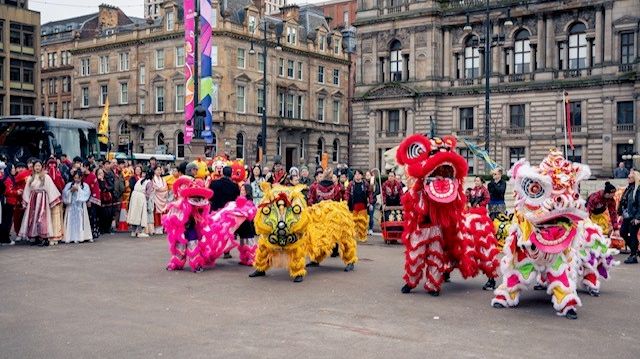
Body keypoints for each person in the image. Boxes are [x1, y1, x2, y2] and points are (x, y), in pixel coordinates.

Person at [18, 160, 62, 247]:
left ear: (41, 167)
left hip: (43, 199)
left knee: (42, 218)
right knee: (33, 217)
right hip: (33, 200)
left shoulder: (46, 177)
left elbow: (51, 189)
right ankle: (36, 237)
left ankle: (45, 238)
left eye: (39, 166)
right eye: (36, 166)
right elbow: (27, 190)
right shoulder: (30, 178)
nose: (37, 167)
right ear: (33, 167)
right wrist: (26, 201)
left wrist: (53, 201)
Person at [210, 166, 241, 259]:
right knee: (227, 232)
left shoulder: (214, 183)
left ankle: (213, 250)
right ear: (231, 174)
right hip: (228, 212)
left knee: (214, 231)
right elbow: (236, 199)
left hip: (215, 210)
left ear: (222, 173)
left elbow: (210, 196)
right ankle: (226, 251)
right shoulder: (235, 186)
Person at [62, 171, 93, 244]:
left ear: (81, 178)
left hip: (80, 206)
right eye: (75, 178)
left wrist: (78, 190)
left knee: (80, 221)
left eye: (78, 178)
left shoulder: (85, 185)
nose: (76, 179)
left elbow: (86, 194)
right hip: (71, 206)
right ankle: (69, 237)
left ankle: (81, 236)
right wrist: (70, 191)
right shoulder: (69, 185)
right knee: (70, 221)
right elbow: (64, 193)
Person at [345, 169, 372, 241]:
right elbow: (347, 193)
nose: (357, 176)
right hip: (353, 206)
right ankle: (354, 237)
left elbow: (370, 193)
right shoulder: (351, 184)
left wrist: (370, 201)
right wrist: (346, 201)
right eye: (356, 174)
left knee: (362, 222)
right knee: (354, 222)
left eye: (358, 174)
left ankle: (362, 237)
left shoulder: (365, 184)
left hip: (363, 206)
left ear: (361, 176)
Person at [620, 170, 640, 264]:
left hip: (634, 216)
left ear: (635, 178)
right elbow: (624, 201)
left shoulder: (638, 189)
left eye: (630, 177)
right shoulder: (629, 188)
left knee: (632, 235)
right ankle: (635, 250)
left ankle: (633, 255)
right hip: (627, 216)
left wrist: (637, 218)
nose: (628, 178)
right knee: (623, 232)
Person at [127, 171, 153, 238]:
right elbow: (148, 194)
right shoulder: (149, 182)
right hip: (141, 197)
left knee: (134, 214)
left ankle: (133, 231)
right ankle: (139, 232)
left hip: (134, 196)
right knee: (141, 215)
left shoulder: (140, 179)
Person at [46, 157, 65, 244]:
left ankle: (49, 235)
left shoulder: (45, 176)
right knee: (56, 217)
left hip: (47, 199)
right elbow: (61, 187)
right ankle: (57, 235)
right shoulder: (58, 175)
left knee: (49, 217)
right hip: (57, 199)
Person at [83, 162, 102, 239]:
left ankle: (93, 232)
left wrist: (90, 200)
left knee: (92, 216)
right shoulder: (82, 176)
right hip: (83, 199)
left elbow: (95, 189)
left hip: (91, 200)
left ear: (86, 167)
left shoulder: (92, 176)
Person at [1, 164, 18, 245]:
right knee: (7, 221)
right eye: (13, 168)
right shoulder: (8, 179)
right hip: (9, 202)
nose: (15, 169)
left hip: (7, 202)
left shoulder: (7, 178)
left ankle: (3, 238)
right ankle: (5, 239)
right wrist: (17, 192)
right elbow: (8, 191)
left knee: (5, 221)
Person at [96, 168, 113, 235]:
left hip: (108, 199)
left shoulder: (107, 180)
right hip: (100, 199)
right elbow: (102, 188)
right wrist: (101, 180)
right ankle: (101, 229)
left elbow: (111, 187)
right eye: (99, 173)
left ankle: (107, 228)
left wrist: (107, 189)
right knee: (101, 215)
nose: (101, 175)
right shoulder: (97, 181)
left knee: (108, 214)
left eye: (102, 173)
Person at [152, 166, 168, 235]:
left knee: (163, 213)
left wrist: (162, 190)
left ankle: (163, 227)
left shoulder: (163, 179)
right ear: (154, 171)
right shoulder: (153, 179)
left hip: (163, 198)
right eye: (157, 170)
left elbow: (165, 187)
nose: (159, 171)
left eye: (160, 170)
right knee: (156, 213)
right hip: (156, 198)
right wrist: (161, 189)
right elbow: (155, 187)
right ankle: (156, 227)